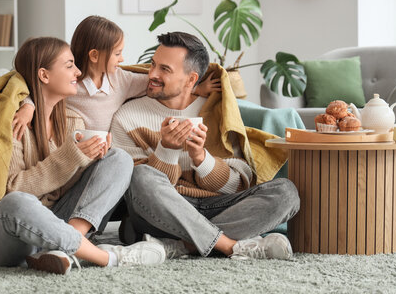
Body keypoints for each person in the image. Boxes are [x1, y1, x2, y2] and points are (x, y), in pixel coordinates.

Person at [0, 37, 165, 275]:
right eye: (69, 65)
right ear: (44, 75)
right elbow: (10, 191)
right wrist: (71, 157)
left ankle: (62, 248)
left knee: (119, 158)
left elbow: (66, 186)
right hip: (3, 234)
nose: (77, 71)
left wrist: (90, 160)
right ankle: (108, 258)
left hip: (55, 221)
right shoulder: (11, 122)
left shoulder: (73, 120)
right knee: (18, 202)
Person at [110, 32, 300, 260]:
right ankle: (229, 245)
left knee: (286, 193)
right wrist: (167, 150)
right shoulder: (127, 116)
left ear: (191, 80)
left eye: (165, 69)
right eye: (153, 65)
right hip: (165, 210)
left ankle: (181, 246)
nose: (152, 74)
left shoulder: (216, 111)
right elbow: (134, 190)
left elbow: (239, 185)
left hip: (215, 204)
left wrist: (202, 158)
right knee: (140, 176)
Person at [12, 15, 220, 138]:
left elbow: (156, 84)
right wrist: (28, 107)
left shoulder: (121, 80)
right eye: (117, 53)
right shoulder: (69, 82)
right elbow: (40, 91)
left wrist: (195, 88)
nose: (122, 59)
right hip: (70, 149)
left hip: (101, 153)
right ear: (94, 55)